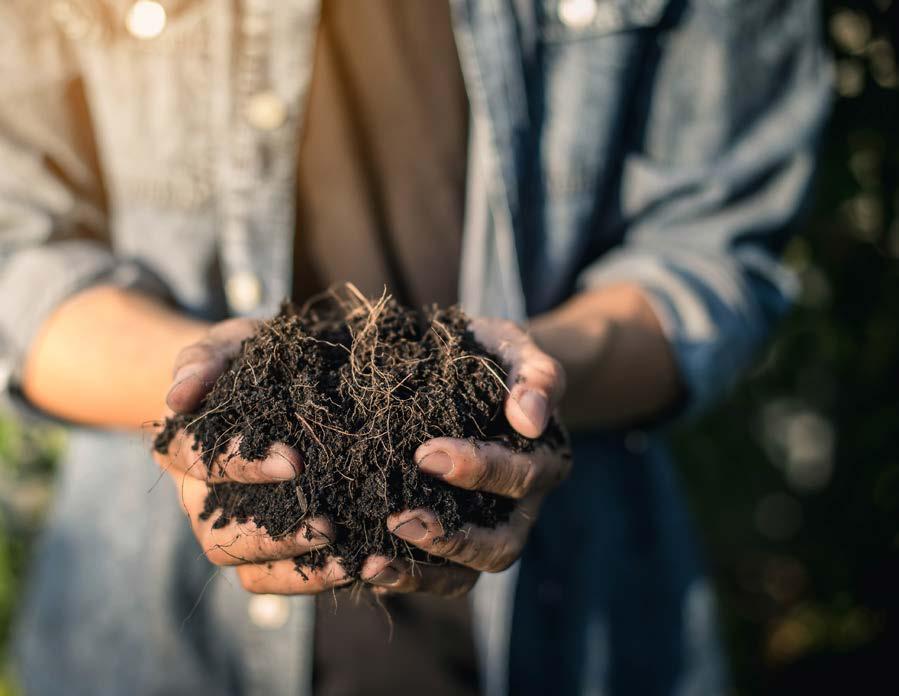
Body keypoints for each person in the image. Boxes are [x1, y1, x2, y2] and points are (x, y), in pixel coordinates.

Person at [0, 0, 831, 694]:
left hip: (575, 627)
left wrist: (536, 382)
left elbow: (713, 247)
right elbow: (17, 248)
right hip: (160, 645)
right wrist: (202, 390)